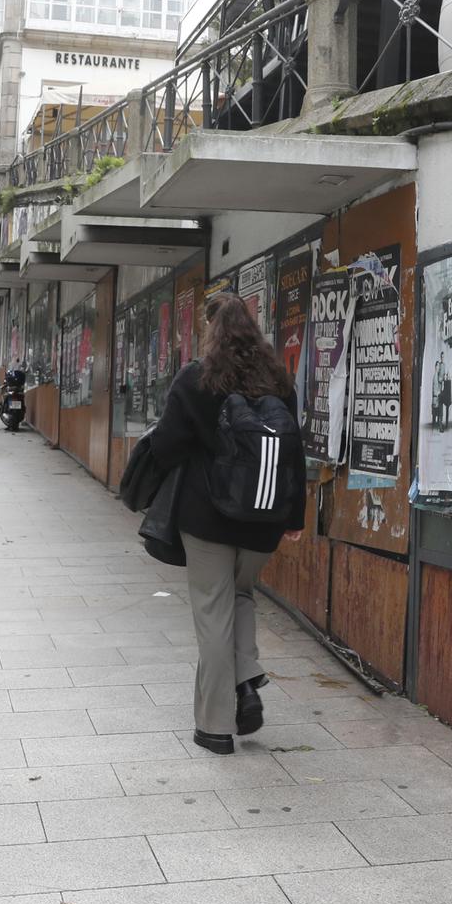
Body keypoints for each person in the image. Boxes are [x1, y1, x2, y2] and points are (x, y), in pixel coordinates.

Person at [145, 294, 301, 756]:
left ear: (210, 332)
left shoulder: (197, 378)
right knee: (241, 594)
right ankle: (246, 680)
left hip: (207, 518)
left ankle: (215, 727)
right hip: (264, 520)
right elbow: (293, 451)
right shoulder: (279, 380)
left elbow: (168, 446)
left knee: (213, 611)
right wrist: (294, 517)